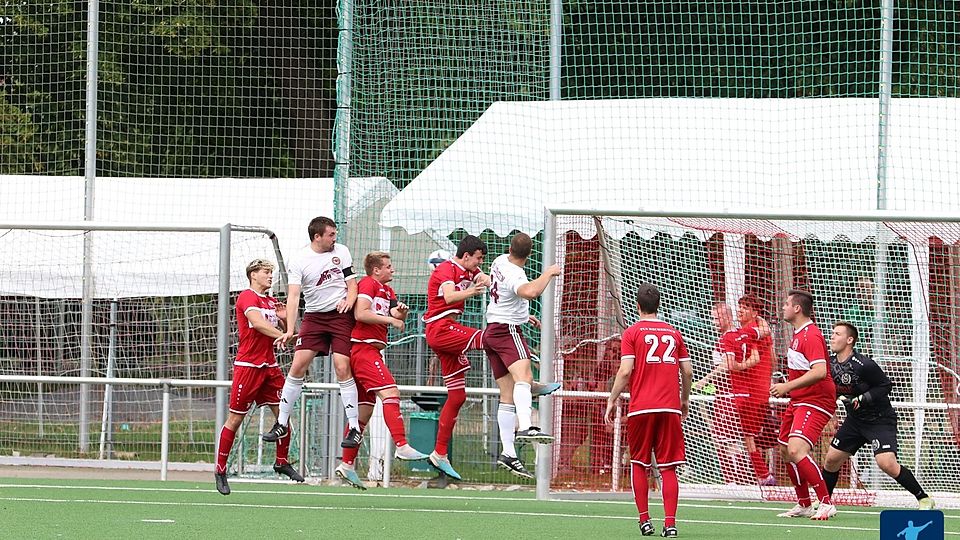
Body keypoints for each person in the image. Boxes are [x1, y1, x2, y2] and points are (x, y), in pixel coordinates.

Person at [262, 216, 360, 449]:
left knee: (342, 366)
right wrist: (289, 329)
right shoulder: (299, 259)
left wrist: (349, 299)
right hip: (315, 318)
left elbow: (353, 284)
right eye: (331, 235)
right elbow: (294, 297)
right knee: (297, 366)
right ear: (317, 237)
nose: (335, 238)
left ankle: (354, 428)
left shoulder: (342, 252)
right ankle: (282, 423)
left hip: (339, 317)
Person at [334, 252, 429, 489]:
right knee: (391, 393)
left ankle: (346, 464)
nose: (393, 270)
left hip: (371, 351)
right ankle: (401, 445)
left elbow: (394, 313)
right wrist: (391, 321)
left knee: (363, 413)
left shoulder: (388, 291)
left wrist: (401, 314)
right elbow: (361, 313)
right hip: (363, 350)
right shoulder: (367, 283)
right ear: (376, 270)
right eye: (388, 266)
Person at [605, 283, 692, 538]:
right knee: (668, 468)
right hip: (669, 407)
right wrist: (683, 399)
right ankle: (671, 524)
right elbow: (687, 370)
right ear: (659, 305)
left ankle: (644, 521)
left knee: (639, 463)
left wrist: (612, 399)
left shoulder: (632, 333)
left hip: (642, 408)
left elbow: (625, 370)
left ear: (637, 305)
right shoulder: (674, 334)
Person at [821, 321, 935, 510]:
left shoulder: (864, 364)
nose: (832, 337)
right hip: (855, 421)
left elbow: (885, 386)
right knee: (832, 459)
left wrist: (862, 398)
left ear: (850, 340)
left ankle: (924, 498)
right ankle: (824, 501)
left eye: (837, 334)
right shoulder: (830, 364)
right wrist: (830, 413)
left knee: (886, 463)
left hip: (879, 420)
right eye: (832, 333)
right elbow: (832, 391)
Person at [215, 259, 304, 495]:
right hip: (248, 367)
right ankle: (220, 469)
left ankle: (281, 461)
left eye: (271, 272)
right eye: (266, 272)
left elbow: (291, 332)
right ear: (253, 274)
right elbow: (257, 323)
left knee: (283, 415)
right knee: (235, 419)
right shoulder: (247, 296)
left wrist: (286, 320)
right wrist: (282, 334)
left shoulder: (273, 301)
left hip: (270, 367)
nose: (270, 276)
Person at [484, 233, 562, 479]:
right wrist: (548, 273)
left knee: (507, 395)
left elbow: (500, 288)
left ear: (509, 248)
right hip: (507, 331)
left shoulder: (499, 260)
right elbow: (529, 292)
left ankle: (508, 452)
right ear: (529, 255)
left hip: (492, 328)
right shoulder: (518, 274)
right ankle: (526, 426)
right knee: (524, 378)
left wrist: (522, 314)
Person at [422, 235, 491, 480]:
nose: (480, 262)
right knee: (490, 340)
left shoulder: (468, 269)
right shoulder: (446, 269)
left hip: (448, 332)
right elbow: (450, 297)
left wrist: (492, 280)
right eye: (479, 258)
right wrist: (474, 290)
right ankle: (522, 381)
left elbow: (484, 278)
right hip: (440, 330)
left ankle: (439, 453)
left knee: (458, 395)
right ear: (466, 255)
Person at [770, 290, 837, 520]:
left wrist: (787, 386)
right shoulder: (798, 334)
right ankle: (804, 503)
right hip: (799, 400)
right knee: (785, 450)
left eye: (787, 303)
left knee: (797, 450)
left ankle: (826, 502)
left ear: (797, 308)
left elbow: (820, 372)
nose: (783, 307)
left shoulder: (811, 335)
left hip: (816, 400)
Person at [730, 295, 776, 486]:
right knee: (757, 437)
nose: (740, 310)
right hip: (762, 390)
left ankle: (762, 475)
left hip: (748, 393)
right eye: (740, 306)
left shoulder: (747, 332)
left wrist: (736, 367)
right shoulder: (763, 331)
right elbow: (772, 358)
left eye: (746, 307)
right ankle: (761, 473)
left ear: (754, 312)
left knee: (742, 437)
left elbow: (756, 358)